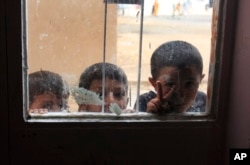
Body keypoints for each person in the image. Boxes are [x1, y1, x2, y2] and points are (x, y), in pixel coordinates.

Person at [135, 40, 206, 113]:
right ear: (154, 83)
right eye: (170, 85)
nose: (181, 95)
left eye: (189, 84)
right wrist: (151, 116)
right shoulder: (144, 102)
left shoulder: (203, 101)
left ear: (200, 80)